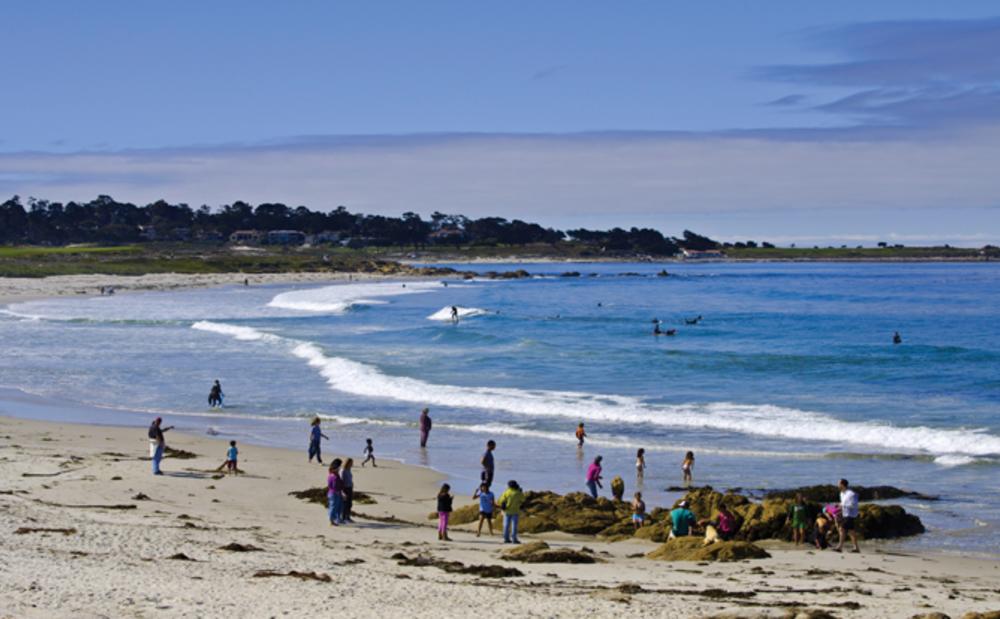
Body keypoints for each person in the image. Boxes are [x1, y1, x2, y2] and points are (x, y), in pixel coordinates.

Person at [836, 479, 861, 553]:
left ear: (842, 485)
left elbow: (853, 505)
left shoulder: (851, 494)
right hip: (844, 514)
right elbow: (843, 503)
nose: (837, 485)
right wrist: (839, 509)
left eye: (838, 484)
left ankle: (840, 547)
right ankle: (856, 548)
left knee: (842, 529)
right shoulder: (841, 493)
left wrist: (842, 505)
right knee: (851, 532)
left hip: (850, 515)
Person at [498, 480, 525, 544]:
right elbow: (523, 500)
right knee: (514, 526)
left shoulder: (507, 492)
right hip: (515, 511)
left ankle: (506, 538)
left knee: (506, 525)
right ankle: (514, 539)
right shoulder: (518, 493)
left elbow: (501, 500)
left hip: (507, 510)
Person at [327, 459, 344, 526]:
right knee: (333, 507)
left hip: (333, 493)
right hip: (334, 493)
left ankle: (335, 519)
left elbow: (330, 485)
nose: (340, 468)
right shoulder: (335, 476)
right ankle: (331, 521)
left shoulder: (332, 474)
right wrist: (341, 491)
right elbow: (335, 486)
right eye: (340, 466)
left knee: (337, 506)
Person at [340, 458, 355, 523]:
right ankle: (343, 518)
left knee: (350, 504)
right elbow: (341, 481)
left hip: (350, 488)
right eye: (351, 463)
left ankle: (348, 517)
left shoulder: (349, 470)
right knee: (345, 504)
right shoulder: (343, 471)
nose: (352, 464)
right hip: (345, 488)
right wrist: (342, 491)